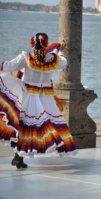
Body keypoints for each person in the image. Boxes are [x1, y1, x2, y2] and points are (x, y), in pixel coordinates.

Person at [0, 33, 76, 169]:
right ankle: (21, 157)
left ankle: (19, 157)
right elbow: (63, 61)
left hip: (29, 96)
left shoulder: (26, 57)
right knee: (50, 124)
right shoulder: (53, 59)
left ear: (32, 44)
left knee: (26, 127)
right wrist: (61, 48)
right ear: (46, 45)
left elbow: (8, 66)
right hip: (46, 97)